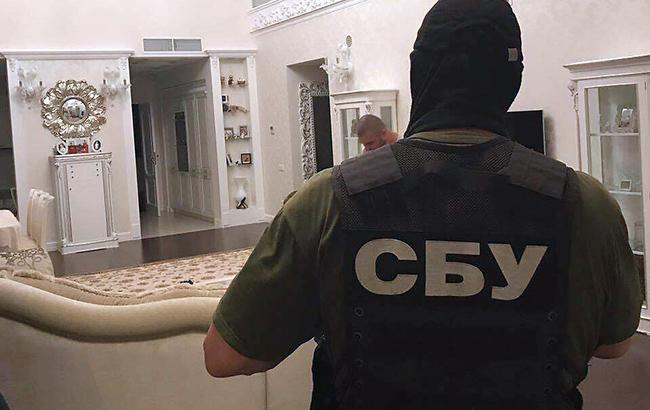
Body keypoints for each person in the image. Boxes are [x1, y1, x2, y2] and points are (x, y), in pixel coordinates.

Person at [203, 0, 643, 408]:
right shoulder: (584, 204)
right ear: (512, 78)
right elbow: (615, 343)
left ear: (419, 73)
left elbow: (225, 356)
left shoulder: (329, 200)